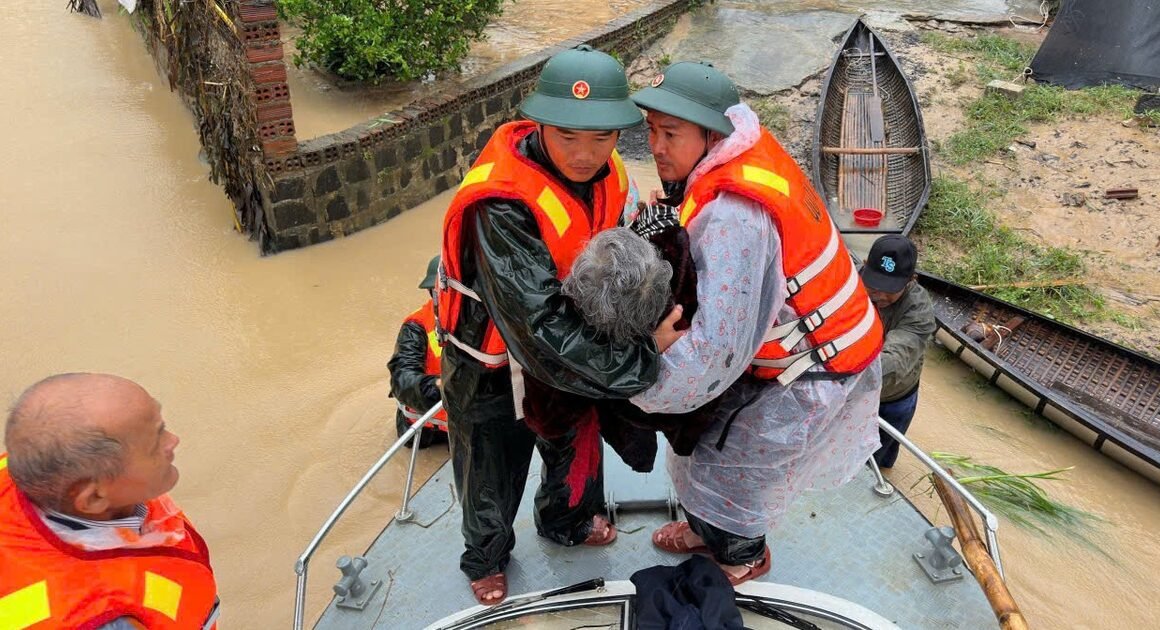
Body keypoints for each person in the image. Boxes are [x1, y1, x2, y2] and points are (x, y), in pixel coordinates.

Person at [437, 45, 684, 605]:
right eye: (568, 137)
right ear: (541, 124)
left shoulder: (612, 174)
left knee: (576, 447)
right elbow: (539, 328)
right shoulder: (500, 205)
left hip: (576, 349)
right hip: (493, 362)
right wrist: (642, 358)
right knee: (489, 471)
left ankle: (567, 521)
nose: (585, 154)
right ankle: (487, 556)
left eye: (601, 138)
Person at [627, 62, 885, 585]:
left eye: (670, 134)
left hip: (809, 369)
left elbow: (716, 351)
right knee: (697, 455)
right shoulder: (743, 150)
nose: (655, 146)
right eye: (651, 130)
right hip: (798, 346)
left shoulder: (734, 217)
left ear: (710, 134)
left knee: (734, 473)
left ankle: (741, 556)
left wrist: (641, 378)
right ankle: (706, 530)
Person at [0, 373, 219, 629]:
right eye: (155, 443)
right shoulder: (107, 618)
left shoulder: (39, 469)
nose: (173, 441)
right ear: (93, 498)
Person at [860, 235, 937, 469]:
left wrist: (836, 375)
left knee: (877, 462)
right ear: (865, 265)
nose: (879, 295)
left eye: (889, 289)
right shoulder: (848, 281)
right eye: (873, 285)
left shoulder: (919, 312)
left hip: (891, 398)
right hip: (852, 391)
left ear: (911, 280)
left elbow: (894, 361)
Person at [388, 255, 449, 449]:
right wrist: (443, 387)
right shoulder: (416, 326)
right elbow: (402, 379)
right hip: (426, 431)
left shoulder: (481, 317)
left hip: (464, 422)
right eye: (438, 290)